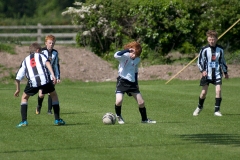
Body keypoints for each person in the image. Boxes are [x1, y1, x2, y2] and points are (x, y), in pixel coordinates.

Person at [14, 42, 65, 127]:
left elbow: (18, 77)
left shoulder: (25, 60)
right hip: (45, 80)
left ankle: (24, 121)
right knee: (54, 96)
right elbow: (48, 63)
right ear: (37, 50)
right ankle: (57, 119)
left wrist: (18, 89)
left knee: (24, 97)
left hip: (32, 82)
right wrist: (53, 75)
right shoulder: (41, 56)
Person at [114, 41, 156, 124]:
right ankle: (118, 116)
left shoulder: (137, 59)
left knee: (141, 102)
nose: (134, 55)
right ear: (130, 50)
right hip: (122, 81)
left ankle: (144, 119)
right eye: (133, 53)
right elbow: (116, 55)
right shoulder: (124, 56)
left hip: (132, 83)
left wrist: (136, 83)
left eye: (136, 54)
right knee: (119, 101)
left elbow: (136, 71)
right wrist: (127, 50)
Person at [193, 30, 229, 117]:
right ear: (207, 39)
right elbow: (199, 61)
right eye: (210, 39)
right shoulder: (204, 49)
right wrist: (202, 71)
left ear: (216, 39)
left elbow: (222, 61)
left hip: (217, 73)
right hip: (206, 74)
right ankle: (199, 107)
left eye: (213, 39)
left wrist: (225, 72)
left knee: (218, 90)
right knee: (203, 93)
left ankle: (217, 110)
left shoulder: (220, 50)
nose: (211, 41)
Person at [36, 35, 60, 115]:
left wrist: (57, 76)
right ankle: (39, 106)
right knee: (41, 94)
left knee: (51, 92)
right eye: (49, 43)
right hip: (42, 75)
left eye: (53, 43)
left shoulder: (55, 53)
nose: (51, 44)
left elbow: (56, 65)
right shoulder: (41, 51)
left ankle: (49, 110)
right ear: (46, 43)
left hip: (51, 75)